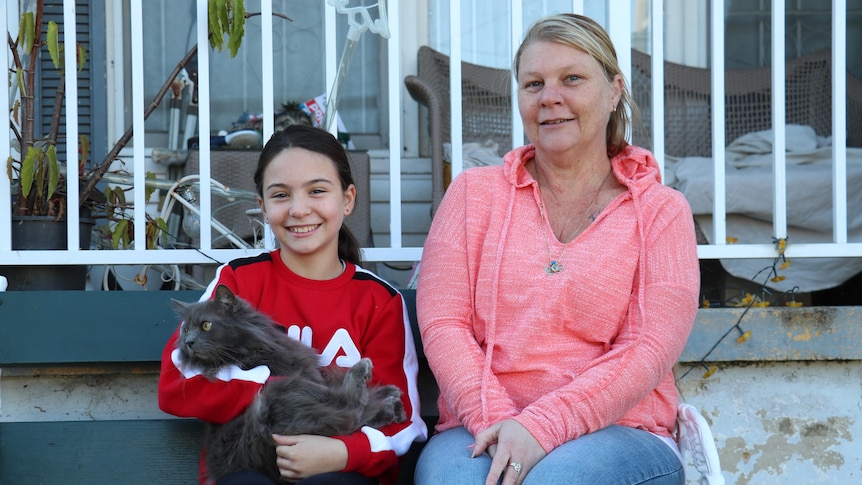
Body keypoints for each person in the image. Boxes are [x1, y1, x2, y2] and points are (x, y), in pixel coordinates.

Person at [414, 13, 700, 485]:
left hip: (620, 430)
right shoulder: (472, 194)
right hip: (481, 424)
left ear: (613, 91)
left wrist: (541, 428)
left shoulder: (660, 211)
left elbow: (648, 348)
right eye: (533, 84)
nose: (550, 97)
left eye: (572, 78)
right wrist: (497, 420)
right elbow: (444, 324)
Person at [158, 125, 427, 485]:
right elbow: (177, 381)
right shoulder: (238, 281)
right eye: (281, 195)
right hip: (250, 463)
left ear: (347, 199)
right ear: (263, 207)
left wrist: (345, 452)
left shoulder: (378, 300)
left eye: (317, 191)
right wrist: (275, 390)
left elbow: (403, 419)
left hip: (340, 471)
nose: (299, 210)